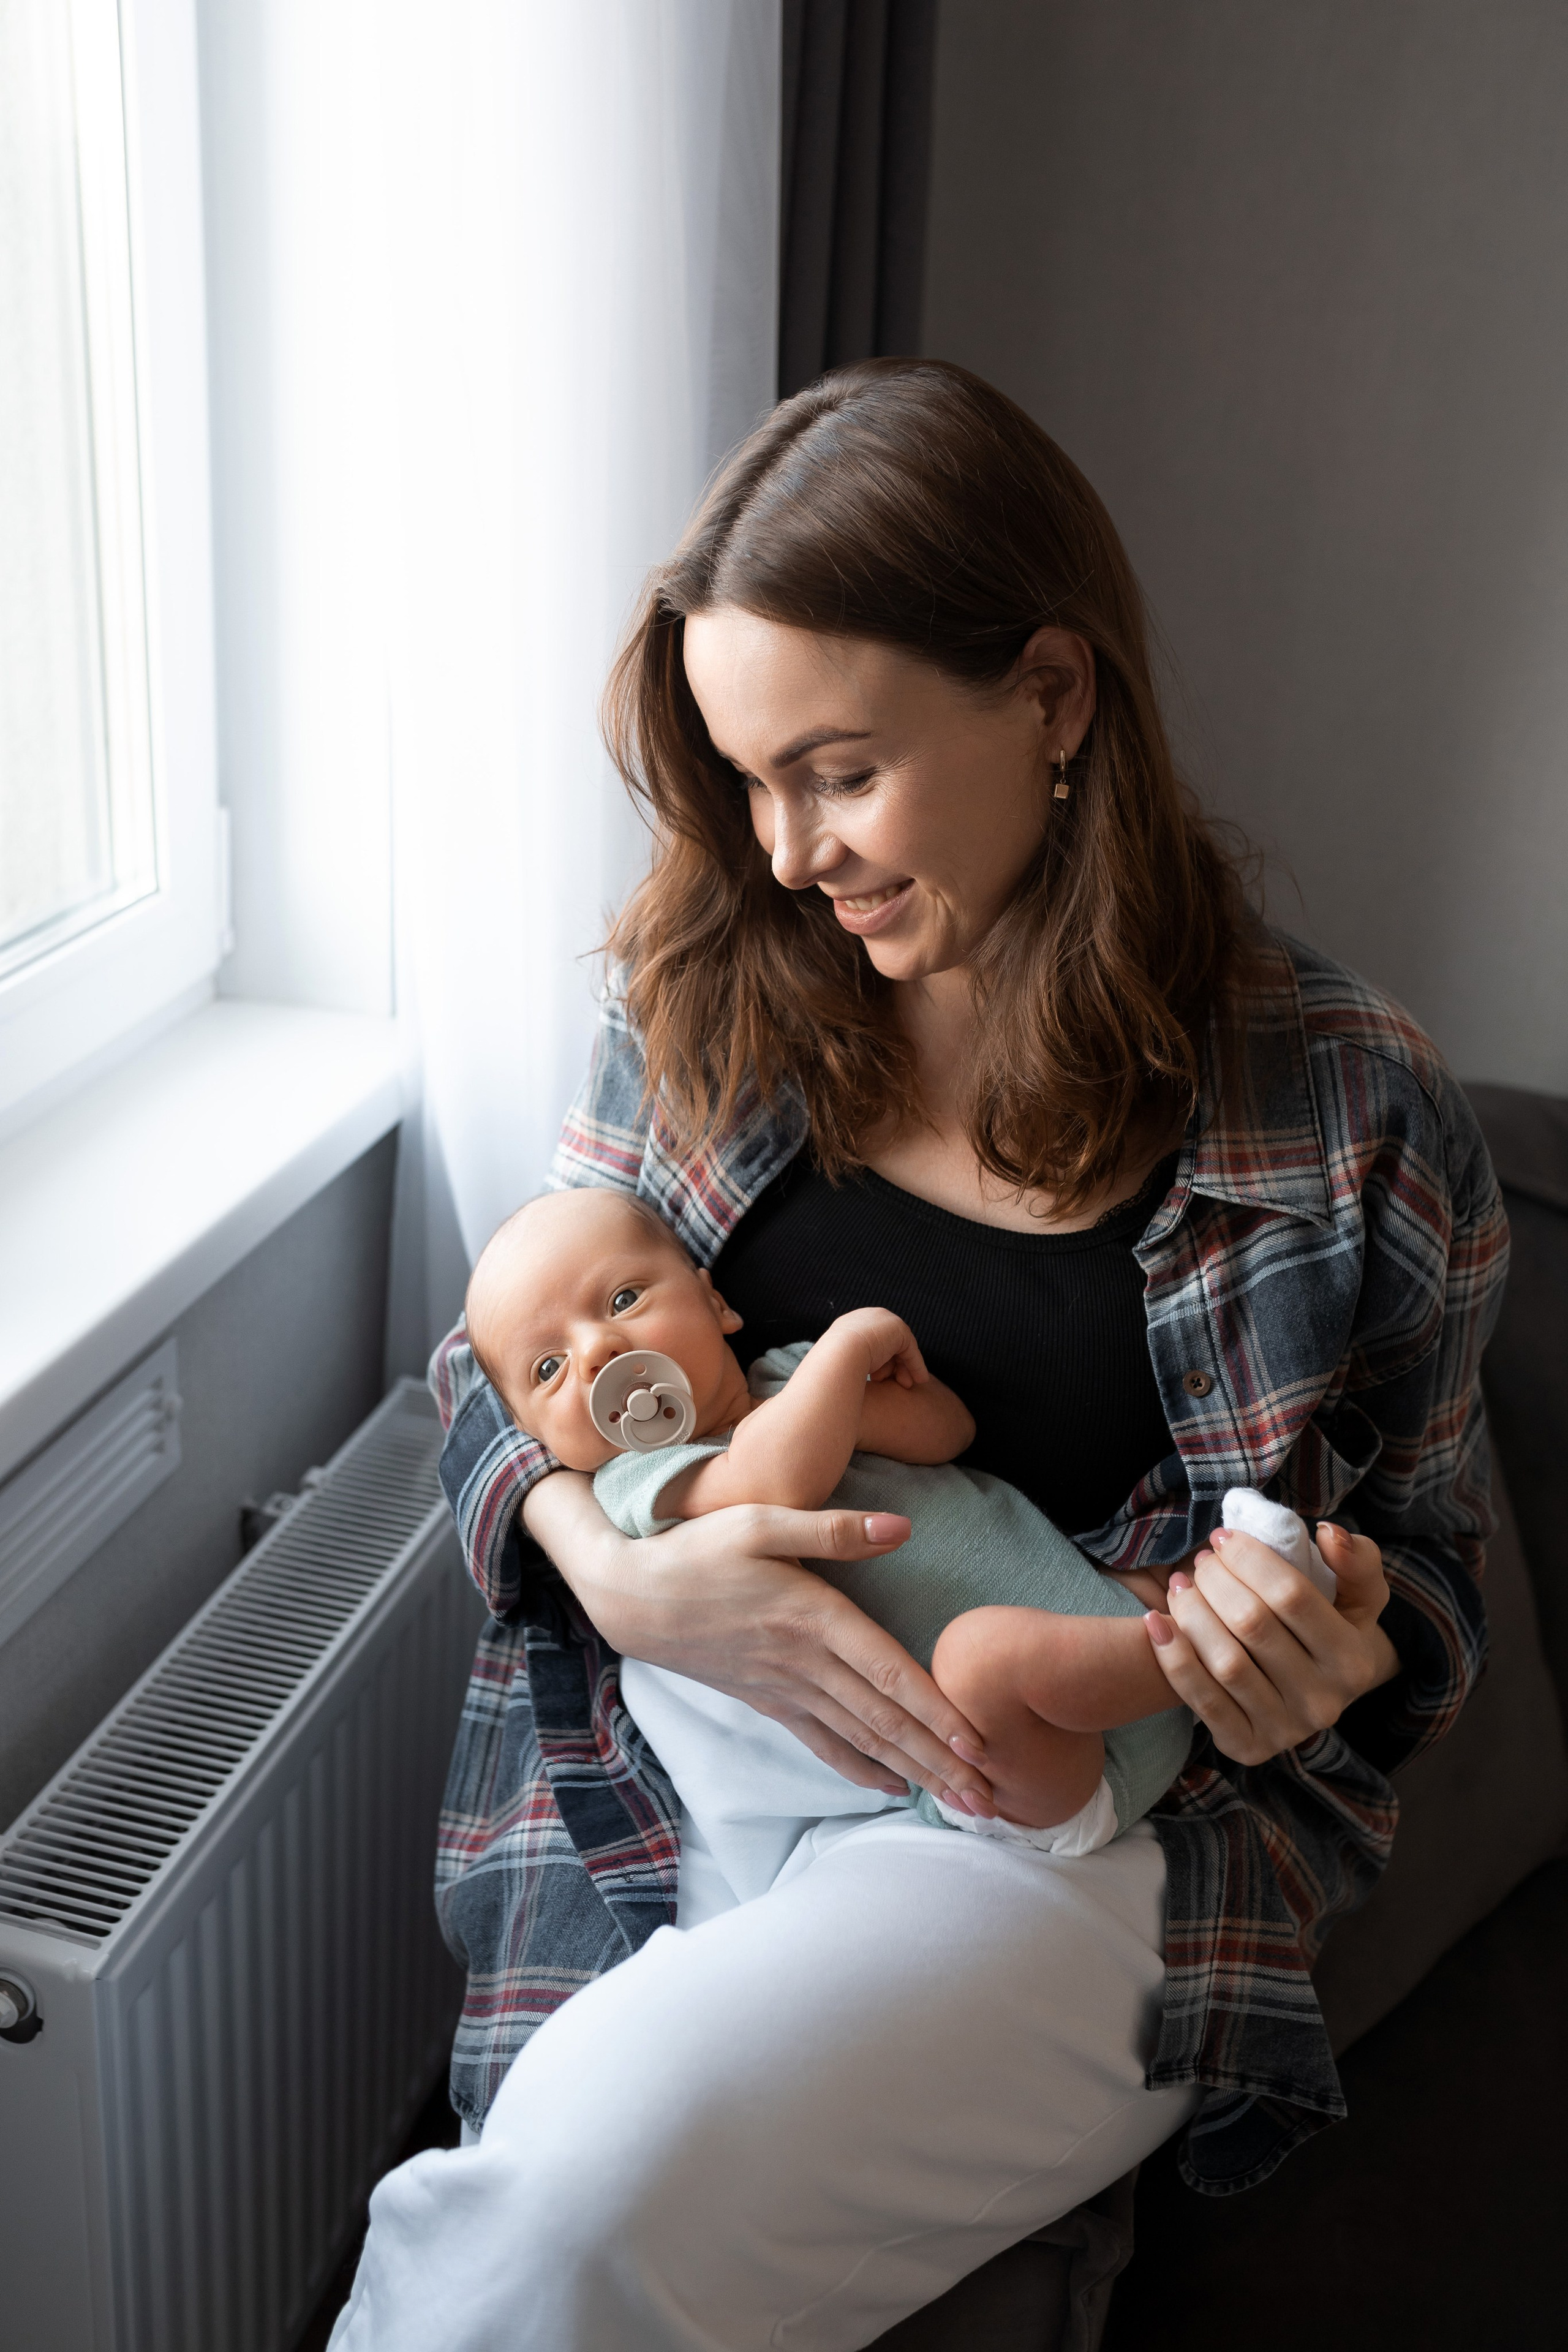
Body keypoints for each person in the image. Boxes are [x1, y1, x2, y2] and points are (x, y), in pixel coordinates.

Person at [330, 360, 1507, 2351]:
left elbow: (1434, 1568)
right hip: (676, 1755)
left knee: (572, 2220)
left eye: (839, 771)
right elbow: (497, 1360)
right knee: (522, 2212)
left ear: (1054, 698)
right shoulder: (703, 994)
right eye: (746, 777)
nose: (785, 851)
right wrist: (625, 1566)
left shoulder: (1346, 1113)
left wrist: (1347, 1638)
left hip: (1039, 1824)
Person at [462, 1185, 1360, 1858]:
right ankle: (1198, 1644)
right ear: (542, 1438)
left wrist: (899, 1396)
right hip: (1023, 1770)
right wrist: (853, 1348)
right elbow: (772, 1479)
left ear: (714, 1303)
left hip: (1095, 1644)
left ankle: (1252, 1609)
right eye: (548, 1371)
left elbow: (947, 1438)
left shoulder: (789, 1372)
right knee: (985, 1656)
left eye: (621, 1302)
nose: (597, 1354)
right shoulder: (639, 1483)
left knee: (1149, 1575)